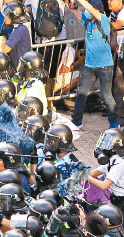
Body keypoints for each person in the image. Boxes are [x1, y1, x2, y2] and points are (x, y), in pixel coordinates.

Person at [70, 0, 119, 129]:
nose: (86, 12)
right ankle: (76, 122)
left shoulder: (103, 20)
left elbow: (89, 10)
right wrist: (68, 4)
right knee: (81, 94)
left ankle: (114, 122)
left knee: (106, 95)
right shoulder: (87, 21)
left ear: (96, 9)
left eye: (89, 10)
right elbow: (75, 12)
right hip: (89, 66)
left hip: (104, 66)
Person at [88, 128, 124, 213]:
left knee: (116, 222)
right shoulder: (111, 159)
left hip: (122, 199)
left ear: (114, 149)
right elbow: (93, 173)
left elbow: (104, 185)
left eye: (106, 144)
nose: (102, 146)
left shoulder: (119, 163)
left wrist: (87, 177)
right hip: (115, 196)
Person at [15, 51, 49, 116]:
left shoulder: (35, 87)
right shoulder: (29, 82)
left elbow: (29, 107)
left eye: (23, 65)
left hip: (33, 119)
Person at [109, 0, 124, 128]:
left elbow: (118, 25)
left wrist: (102, 24)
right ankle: (120, 120)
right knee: (117, 89)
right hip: (120, 56)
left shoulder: (123, 13)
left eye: (112, 0)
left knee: (119, 89)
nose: (108, 2)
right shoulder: (113, 14)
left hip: (122, 57)